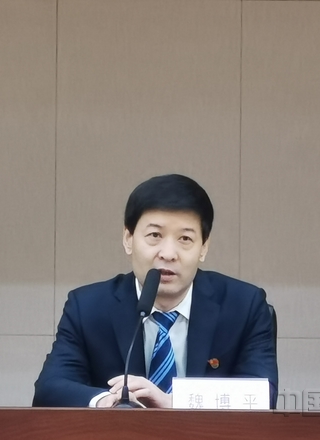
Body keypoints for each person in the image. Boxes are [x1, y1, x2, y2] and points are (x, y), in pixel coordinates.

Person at [33, 174, 278, 408]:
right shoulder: (87, 307)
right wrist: (107, 401)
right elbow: (49, 388)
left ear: (204, 247)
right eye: (155, 235)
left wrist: (175, 403)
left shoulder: (244, 306)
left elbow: (263, 395)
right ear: (128, 239)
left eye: (185, 239)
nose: (168, 254)